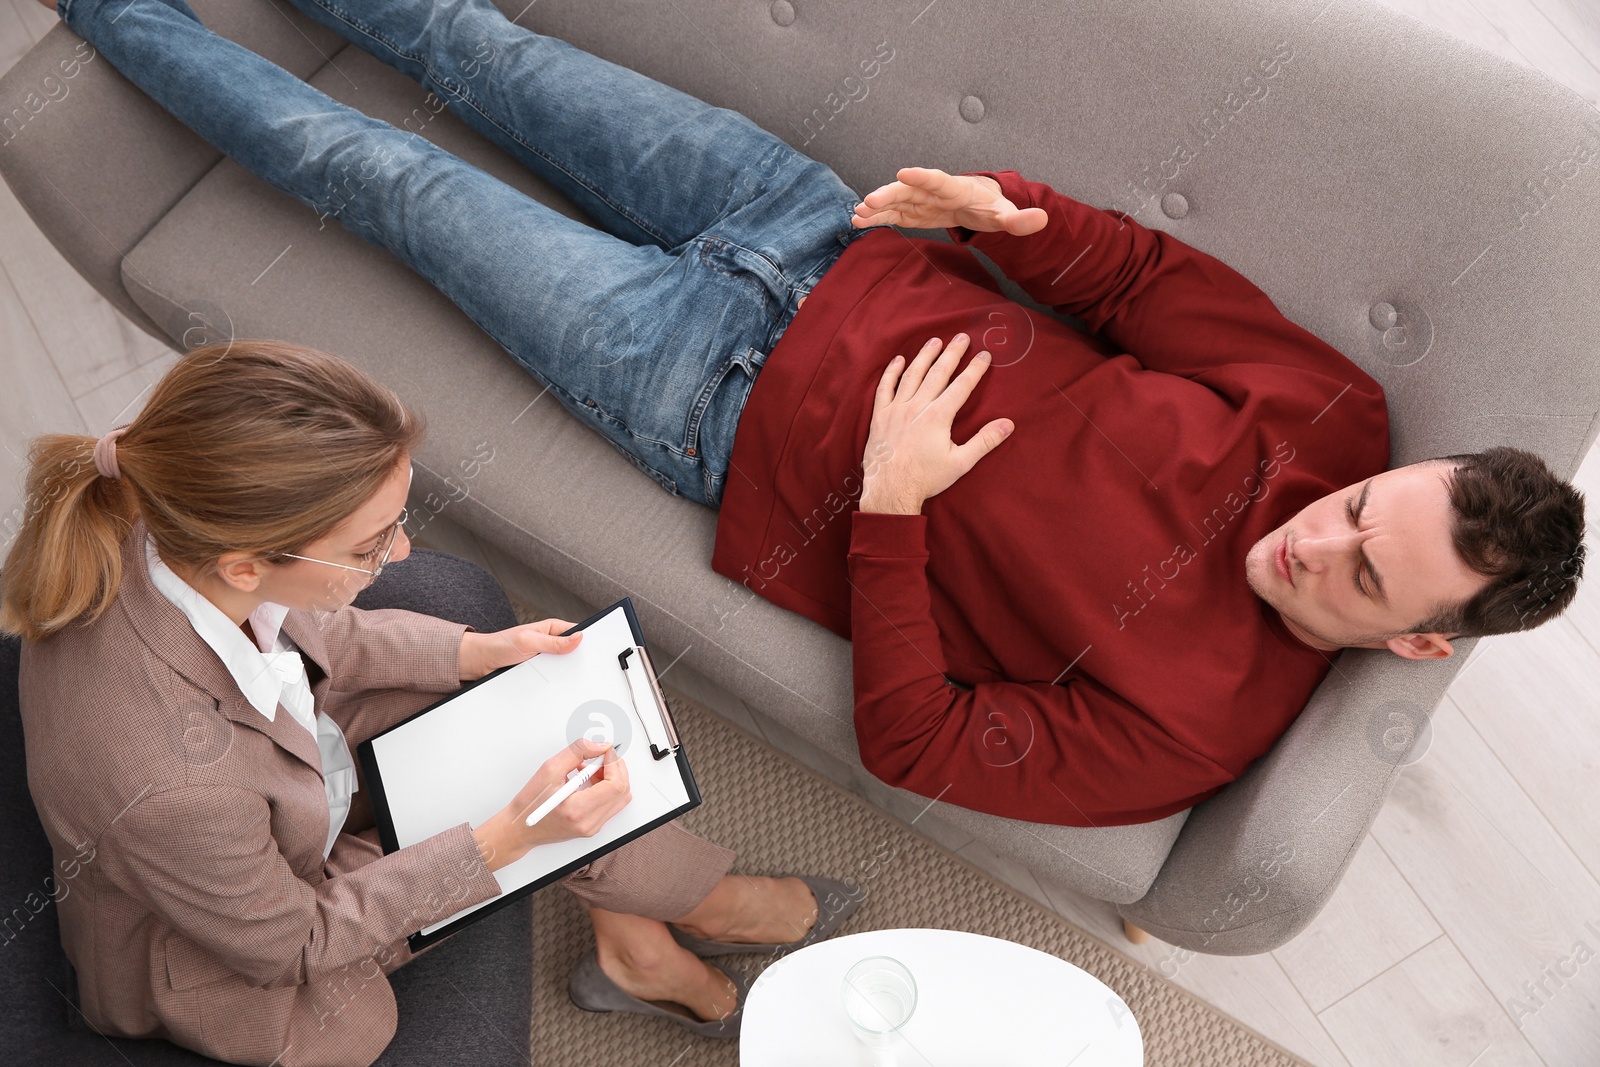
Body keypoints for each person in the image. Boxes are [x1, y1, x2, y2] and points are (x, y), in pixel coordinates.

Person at [36, 0, 1587, 831]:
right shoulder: (1339, 415)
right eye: (1354, 507)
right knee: (467, 42)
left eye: (1363, 574)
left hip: (701, 394)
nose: (1318, 532)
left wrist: (898, 508)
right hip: (825, 223)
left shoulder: (1188, 730)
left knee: (383, 175)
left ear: (1420, 643)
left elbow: (916, 739)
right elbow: (1146, 280)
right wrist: (1013, 216)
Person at [1, 340, 865, 1066]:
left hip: (292, 775)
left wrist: (479, 651)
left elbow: (317, 633)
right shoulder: (168, 779)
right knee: (535, 811)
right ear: (245, 564)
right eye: (374, 542)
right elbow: (290, 943)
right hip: (245, 943)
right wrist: (508, 838)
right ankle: (689, 914)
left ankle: (650, 932)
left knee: (528, 727)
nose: (406, 550)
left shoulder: (174, 509)